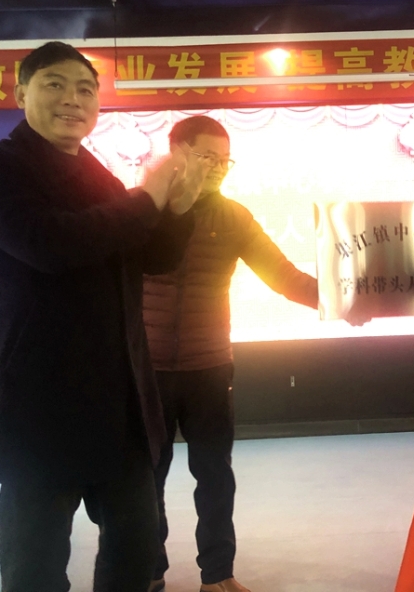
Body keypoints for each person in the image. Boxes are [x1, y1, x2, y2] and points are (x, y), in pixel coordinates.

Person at [0, 41, 209, 592]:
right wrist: (147, 200)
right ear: (20, 93)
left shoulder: (99, 177)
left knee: (136, 556)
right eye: (54, 84)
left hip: (121, 403)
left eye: (86, 89)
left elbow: (151, 259)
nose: (73, 99)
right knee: (35, 569)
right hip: (40, 406)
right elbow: (50, 245)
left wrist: (178, 210)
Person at [143, 115, 331, 592]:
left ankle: (218, 575)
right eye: (207, 157)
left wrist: (343, 299)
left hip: (209, 367)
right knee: (145, 479)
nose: (217, 168)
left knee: (215, 476)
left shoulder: (235, 217)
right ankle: (148, 570)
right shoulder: (142, 209)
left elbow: (284, 276)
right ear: (176, 152)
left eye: (225, 160)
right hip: (146, 370)